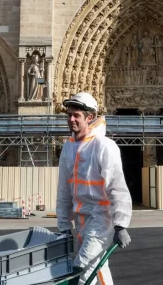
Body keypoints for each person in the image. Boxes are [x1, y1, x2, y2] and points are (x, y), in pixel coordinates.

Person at [57, 92, 132, 285]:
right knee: (98, 268)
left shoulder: (104, 146)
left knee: (81, 268)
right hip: (81, 219)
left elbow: (117, 187)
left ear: (90, 117)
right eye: (69, 115)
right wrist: (64, 224)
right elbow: (64, 190)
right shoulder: (68, 147)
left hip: (101, 218)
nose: (71, 119)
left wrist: (121, 224)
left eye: (76, 115)